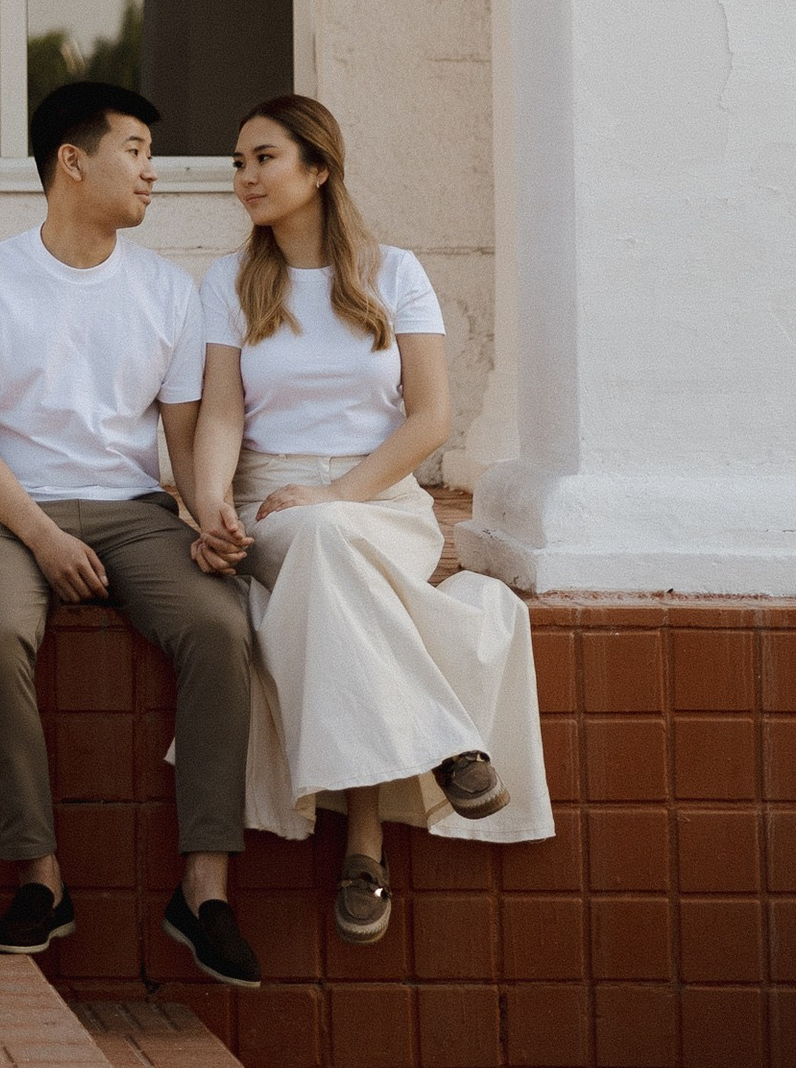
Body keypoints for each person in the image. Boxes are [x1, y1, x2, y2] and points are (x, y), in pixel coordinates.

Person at [185, 93, 554, 945]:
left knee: (329, 546)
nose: (244, 178)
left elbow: (428, 420)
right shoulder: (230, 282)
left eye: (262, 158)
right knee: (313, 542)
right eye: (238, 163)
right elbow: (221, 416)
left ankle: (368, 830)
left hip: (380, 501)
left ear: (318, 169)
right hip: (272, 500)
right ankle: (422, 780)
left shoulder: (397, 273)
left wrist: (339, 494)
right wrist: (211, 509)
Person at [0, 79, 262, 989]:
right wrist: (39, 536)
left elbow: (186, 440)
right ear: (72, 164)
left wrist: (211, 517)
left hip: (133, 514)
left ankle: (205, 890)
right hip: (6, 509)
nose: (154, 174)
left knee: (221, 625)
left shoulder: (167, 290)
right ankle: (40, 879)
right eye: (137, 151)